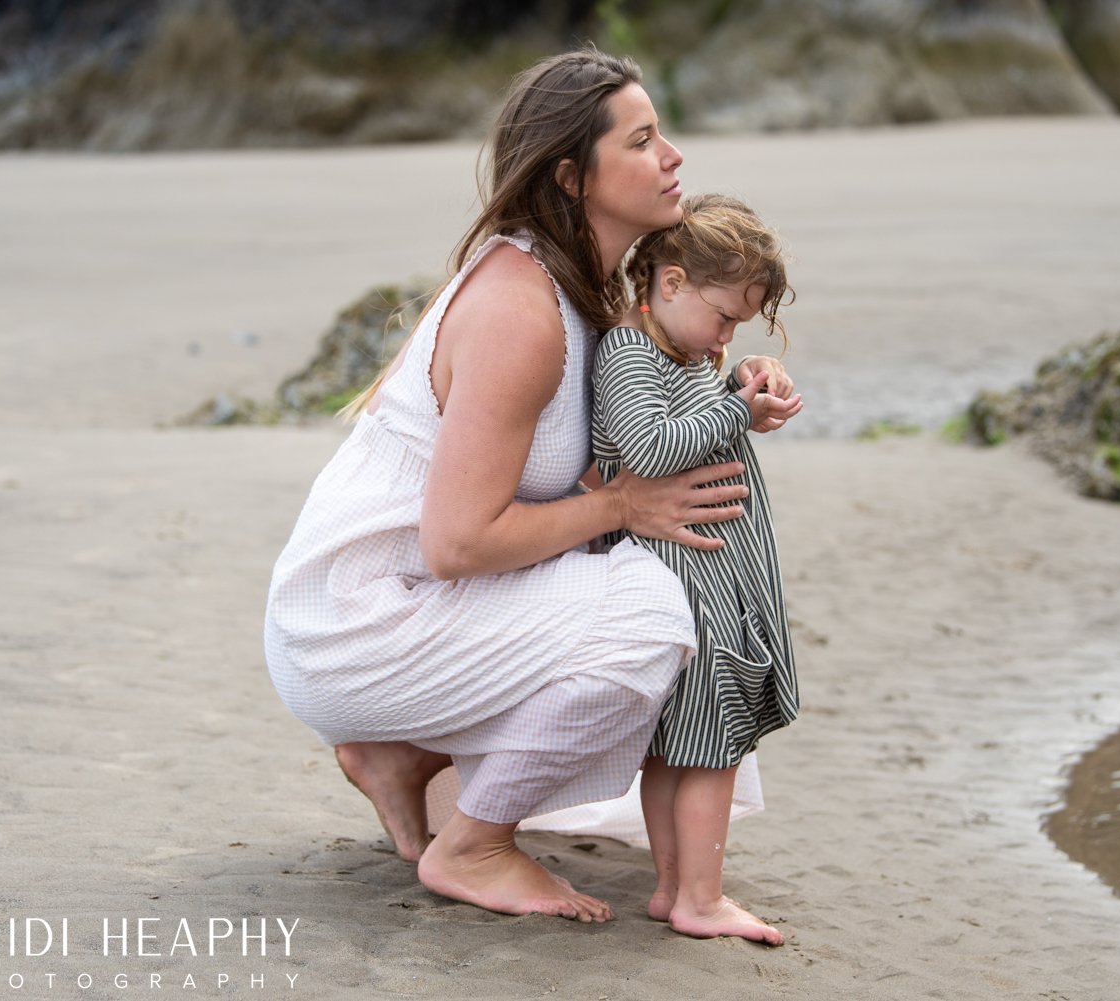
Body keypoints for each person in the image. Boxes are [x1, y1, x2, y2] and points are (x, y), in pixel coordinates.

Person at [262, 47, 801, 924]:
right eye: (643, 140)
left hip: (407, 601)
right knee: (651, 617)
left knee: (673, 627)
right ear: (570, 174)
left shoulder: (579, 286)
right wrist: (624, 505)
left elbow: (649, 398)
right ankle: (474, 845)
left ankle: (398, 756)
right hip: (360, 615)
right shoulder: (520, 307)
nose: (673, 157)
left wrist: (743, 387)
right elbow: (458, 542)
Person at [590, 193, 803, 945]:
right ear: (671, 284)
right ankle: (700, 898)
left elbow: (700, 415)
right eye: (726, 317)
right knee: (708, 734)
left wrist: (746, 377)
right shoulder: (628, 353)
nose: (728, 333)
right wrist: (735, 411)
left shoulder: (688, 352)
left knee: (683, 738)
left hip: (711, 568)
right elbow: (649, 449)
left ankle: (677, 885)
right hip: (681, 578)